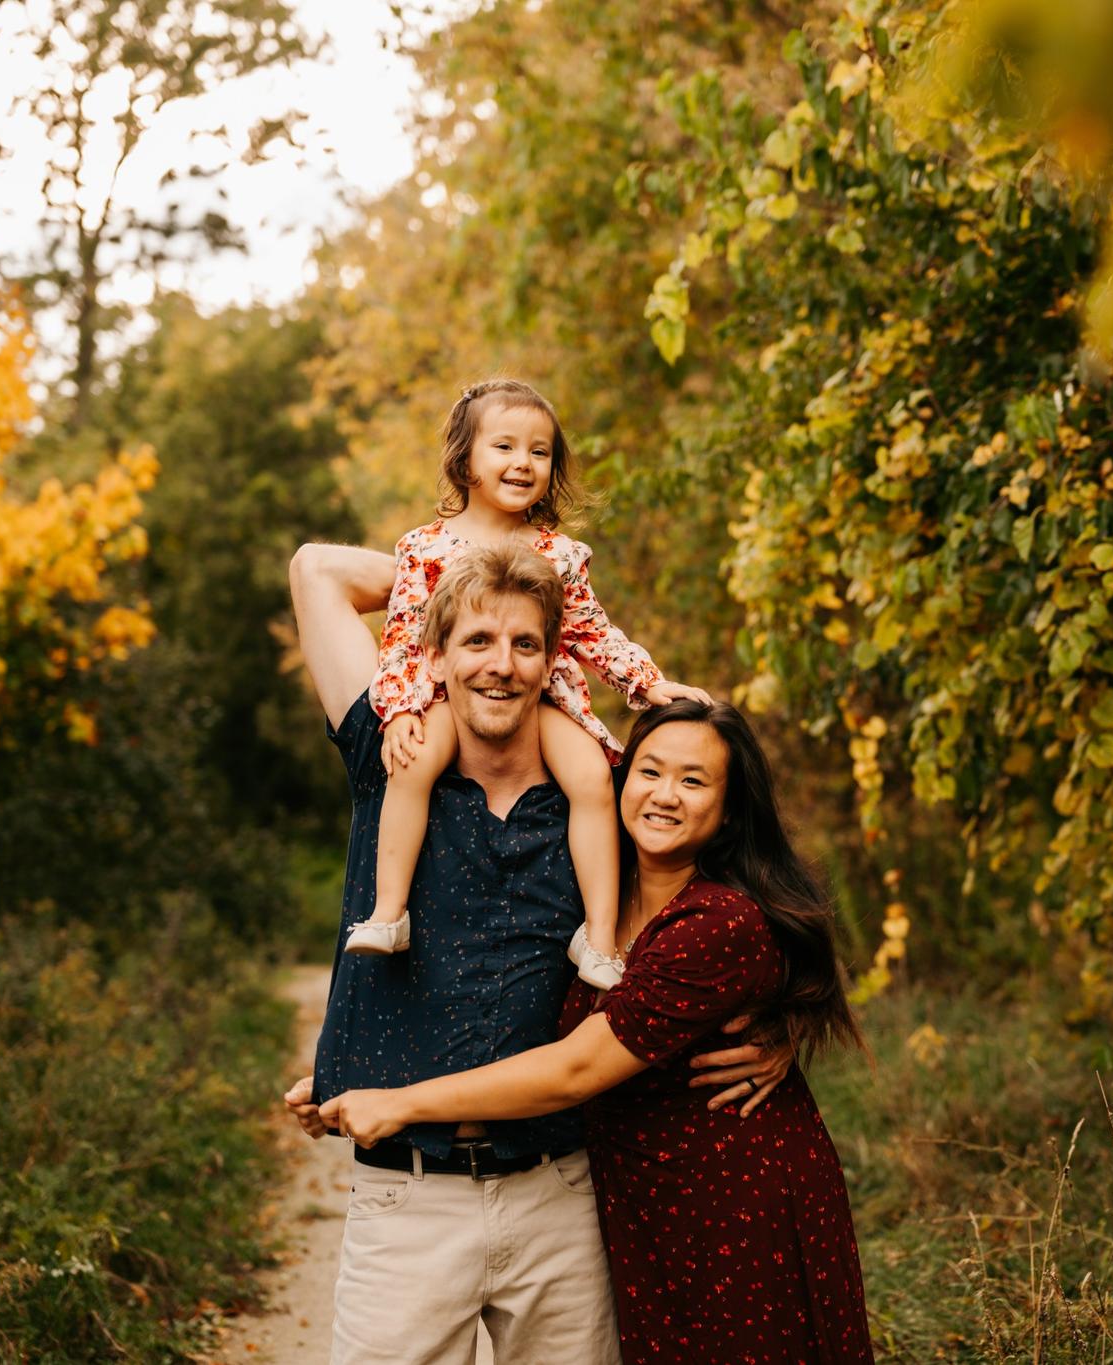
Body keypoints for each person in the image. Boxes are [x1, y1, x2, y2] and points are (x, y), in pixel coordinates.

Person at [284, 537, 789, 1365]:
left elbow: (737, 900)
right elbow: (316, 569)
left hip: (562, 1190)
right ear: (435, 656)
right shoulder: (393, 749)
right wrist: (466, 562)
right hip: (408, 1198)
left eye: (525, 644)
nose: (501, 666)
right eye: (477, 642)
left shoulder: (602, 792)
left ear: (554, 660)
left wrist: (782, 1011)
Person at [321, 699, 876, 1365]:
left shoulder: (715, 920)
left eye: (694, 781)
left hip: (731, 1203)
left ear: (729, 810)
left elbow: (575, 1068)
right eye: (649, 771)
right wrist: (347, 1069)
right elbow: (498, 991)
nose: (665, 795)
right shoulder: (594, 893)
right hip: (639, 1202)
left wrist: (398, 1099)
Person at [348, 378, 709, 991]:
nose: (523, 463)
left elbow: (592, 632)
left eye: (539, 453)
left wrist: (648, 685)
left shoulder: (559, 554)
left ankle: (598, 939)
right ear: (466, 460)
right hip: (449, 697)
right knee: (409, 767)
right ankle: (389, 912)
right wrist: (402, 709)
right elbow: (406, 636)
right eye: (505, 447)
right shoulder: (427, 548)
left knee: (593, 778)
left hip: (543, 697)